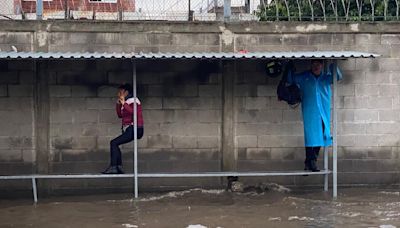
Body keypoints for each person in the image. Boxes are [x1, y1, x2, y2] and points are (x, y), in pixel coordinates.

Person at [287, 59, 342, 172]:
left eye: (319, 64)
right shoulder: (304, 77)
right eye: (314, 64)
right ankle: (311, 162)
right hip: (310, 111)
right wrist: (289, 66)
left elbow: (338, 77)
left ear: (322, 65)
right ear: (311, 65)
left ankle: (310, 161)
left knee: (322, 135)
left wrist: (333, 64)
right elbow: (290, 79)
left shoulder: (326, 78)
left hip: (323, 111)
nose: (316, 66)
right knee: (310, 136)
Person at [102, 83, 144, 174]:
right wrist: (118, 104)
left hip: (135, 128)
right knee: (115, 143)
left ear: (126, 92)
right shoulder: (127, 101)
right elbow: (120, 115)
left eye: (121, 91)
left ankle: (114, 166)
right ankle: (118, 166)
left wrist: (123, 103)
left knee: (113, 143)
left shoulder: (134, 100)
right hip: (129, 129)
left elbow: (134, 112)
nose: (119, 93)